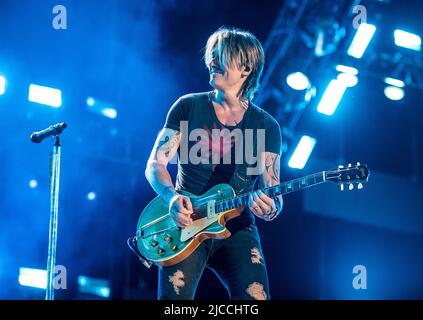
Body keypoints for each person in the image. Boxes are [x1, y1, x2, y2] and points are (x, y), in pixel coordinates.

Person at [145, 27, 283, 300]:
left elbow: (273, 187)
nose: (212, 62)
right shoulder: (187, 106)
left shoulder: (267, 126)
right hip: (185, 222)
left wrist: (272, 207)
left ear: (245, 69)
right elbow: (155, 164)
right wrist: (171, 198)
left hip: (237, 226)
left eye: (221, 56)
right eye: (212, 55)